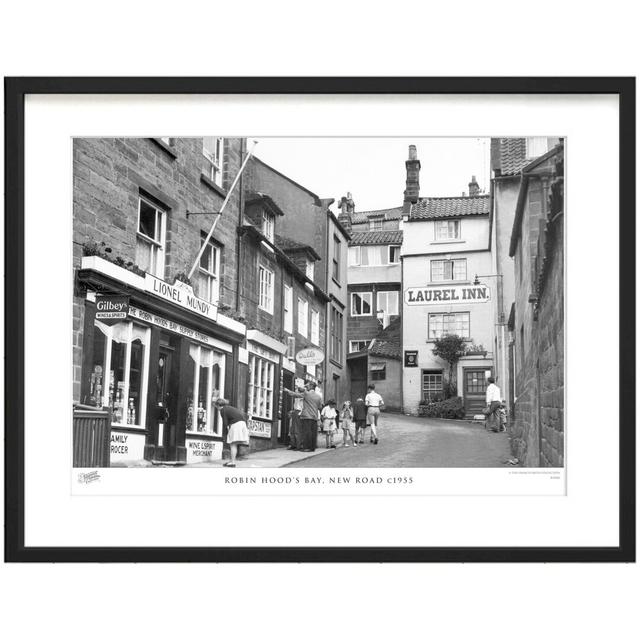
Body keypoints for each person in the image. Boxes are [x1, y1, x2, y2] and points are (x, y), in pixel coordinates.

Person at [284, 381, 323, 451]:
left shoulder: (306, 394)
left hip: (307, 416)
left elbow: (295, 395)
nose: (306, 387)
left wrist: (287, 391)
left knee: (307, 432)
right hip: (314, 416)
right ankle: (312, 447)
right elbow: (320, 406)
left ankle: (307, 447)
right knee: (313, 432)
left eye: (307, 386)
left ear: (311, 386)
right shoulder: (318, 396)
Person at [215, 398, 249, 467]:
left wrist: (226, 432)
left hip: (236, 425)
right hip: (242, 424)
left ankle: (233, 462)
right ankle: (232, 461)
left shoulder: (222, 410)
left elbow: (225, 422)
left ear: (218, 405)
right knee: (234, 444)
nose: (216, 408)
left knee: (233, 444)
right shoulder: (229, 408)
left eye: (216, 406)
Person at [287, 384, 304, 450]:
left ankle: (298, 445)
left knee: (297, 430)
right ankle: (293, 444)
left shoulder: (301, 397)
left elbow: (302, 407)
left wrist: (300, 413)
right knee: (292, 429)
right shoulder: (297, 398)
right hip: (295, 411)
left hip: (299, 412)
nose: (296, 392)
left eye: (297, 390)